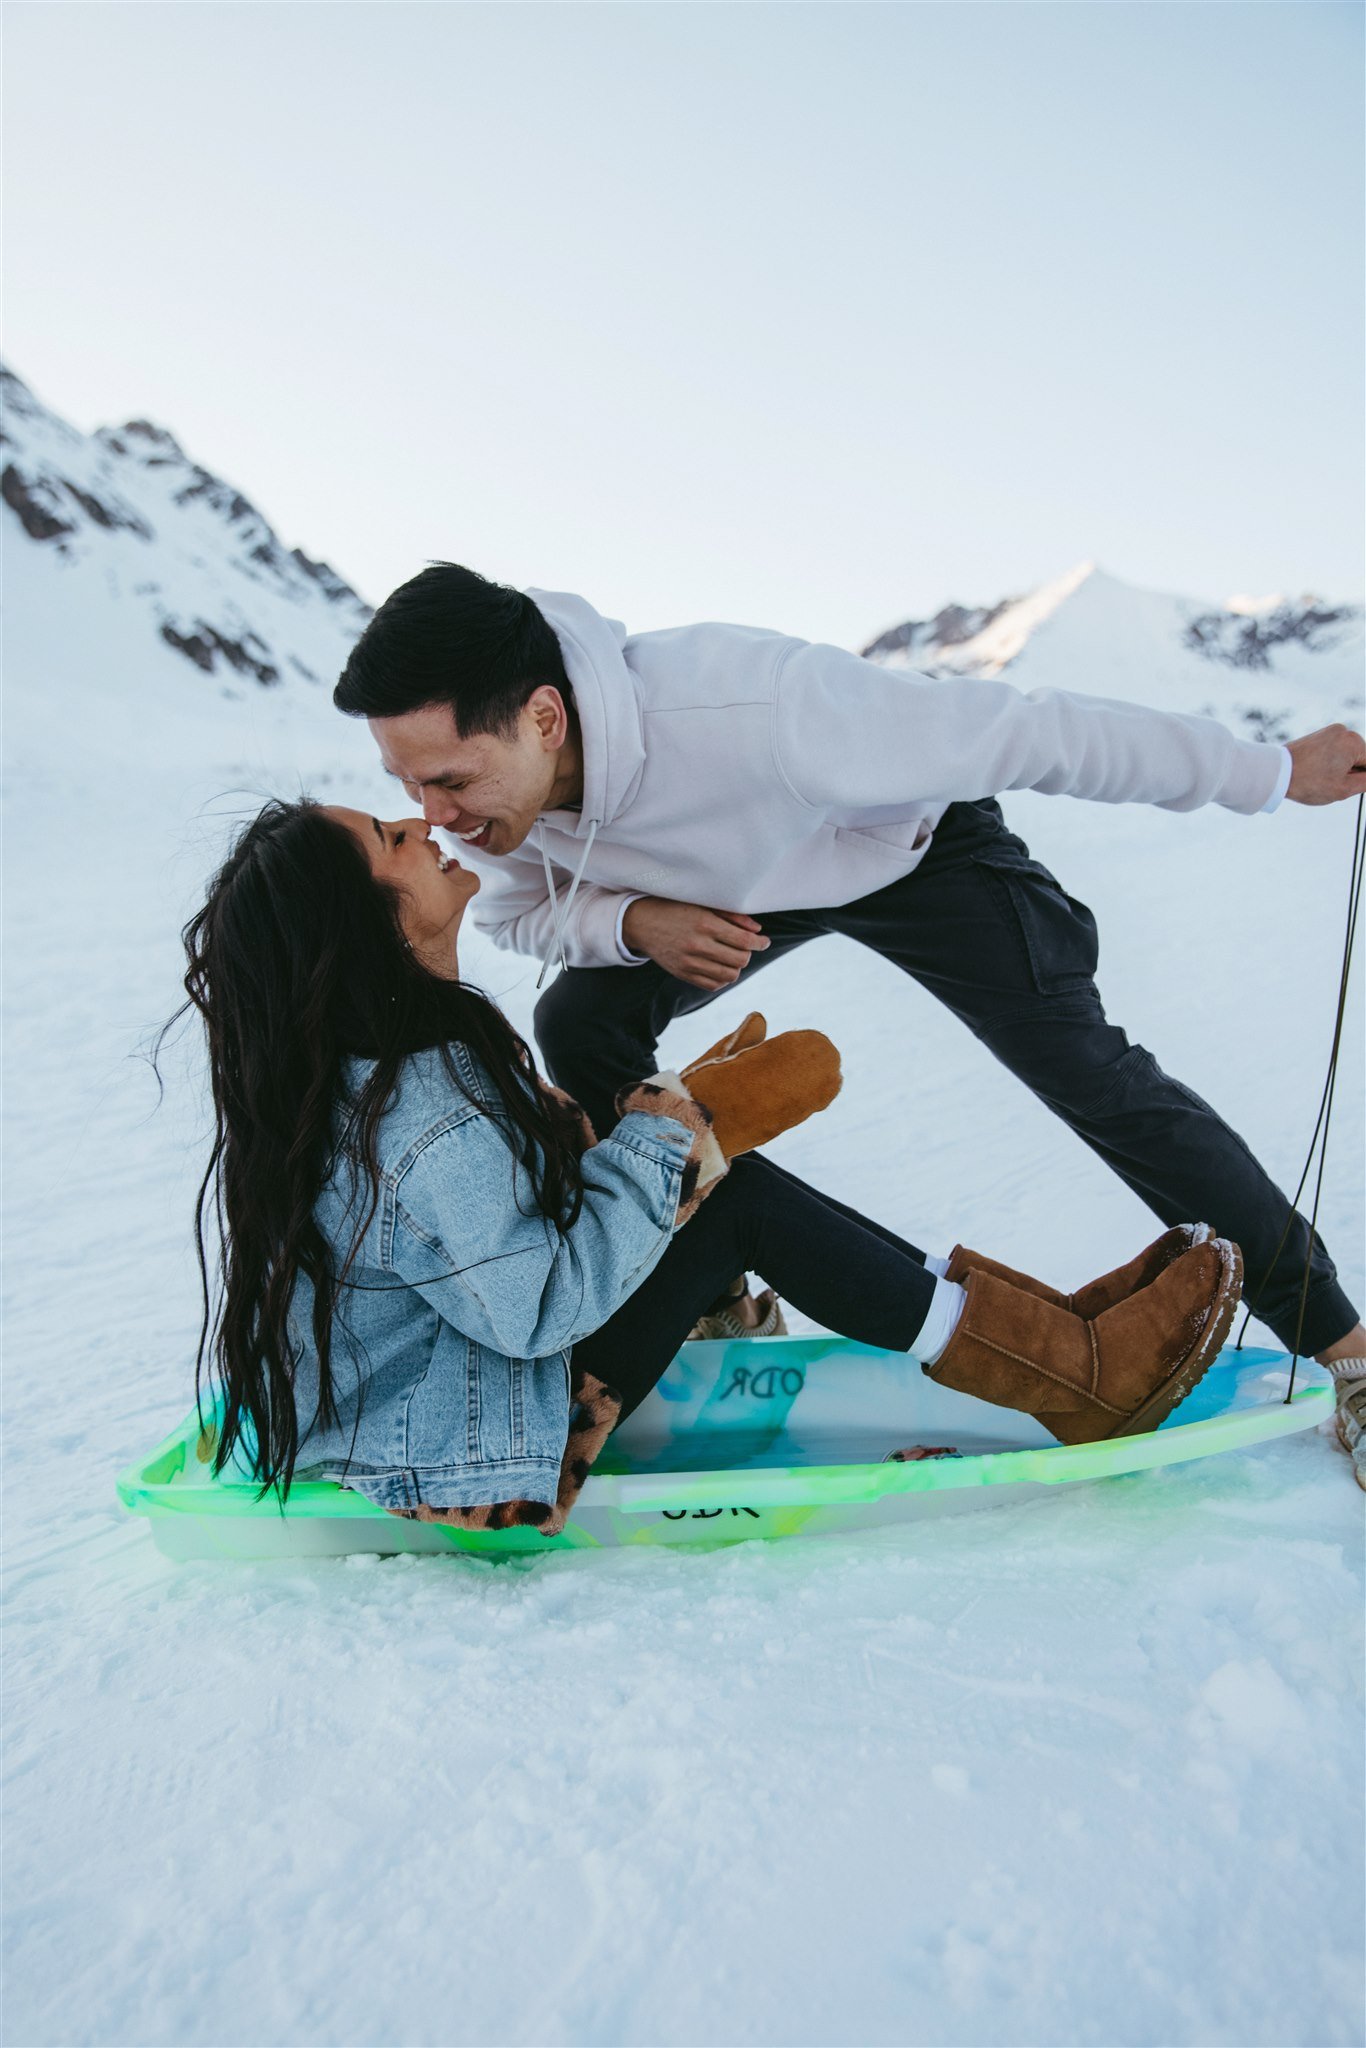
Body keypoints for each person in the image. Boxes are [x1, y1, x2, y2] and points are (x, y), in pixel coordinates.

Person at [330, 564, 1366, 1482]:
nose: (434, 815)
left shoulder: (763, 707)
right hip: (732, 898)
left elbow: (1039, 730)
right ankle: (710, 1297)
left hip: (911, 854)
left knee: (1095, 1077)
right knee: (579, 1021)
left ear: (543, 717)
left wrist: (1270, 771)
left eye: (449, 779)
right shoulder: (496, 805)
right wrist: (635, 918)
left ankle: (1347, 1352)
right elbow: (520, 910)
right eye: (407, 785)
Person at [175, 798, 1245, 1535]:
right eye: (389, 838)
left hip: (459, 1394)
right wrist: (678, 1131)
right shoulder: (423, 1112)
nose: (418, 825)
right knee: (736, 1202)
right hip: (478, 1452)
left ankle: (1047, 1327)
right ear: (370, 924)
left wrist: (671, 1117)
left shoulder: (414, 1058)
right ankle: (1075, 1372)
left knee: (719, 1177)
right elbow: (538, 1306)